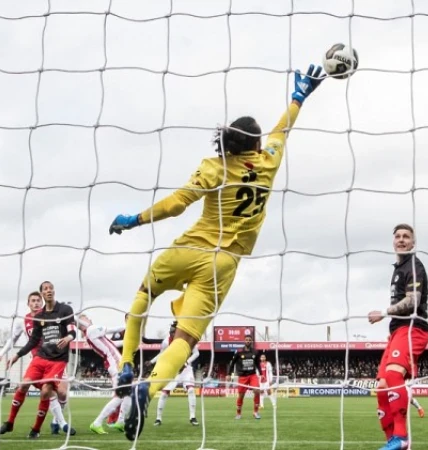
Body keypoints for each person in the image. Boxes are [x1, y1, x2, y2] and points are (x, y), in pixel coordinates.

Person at [107, 64, 327, 441]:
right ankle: (151, 388)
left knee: (144, 296)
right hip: (223, 266)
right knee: (186, 339)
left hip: (190, 247)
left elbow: (178, 204)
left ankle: (127, 363)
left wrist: (135, 219)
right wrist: (299, 97)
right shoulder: (269, 160)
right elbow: (282, 129)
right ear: (255, 146)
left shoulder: (214, 167)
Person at [367, 223, 428, 450]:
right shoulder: (398, 268)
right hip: (397, 331)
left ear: (413, 242)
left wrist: (383, 313)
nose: (401, 240)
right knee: (383, 386)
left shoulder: (414, 266)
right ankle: (393, 442)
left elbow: (413, 300)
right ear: (393, 241)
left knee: (393, 375)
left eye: (406, 236)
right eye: (398, 236)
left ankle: (402, 438)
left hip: (413, 327)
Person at [0, 290, 73, 437]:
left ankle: (57, 420)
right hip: (38, 362)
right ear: (28, 304)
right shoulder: (23, 321)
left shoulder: (53, 317)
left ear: (42, 302)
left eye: (38, 300)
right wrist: (1, 354)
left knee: (62, 393)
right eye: (33, 301)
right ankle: (15, 423)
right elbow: (12, 339)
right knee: (28, 386)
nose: (36, 303)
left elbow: (68, 326)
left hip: (55, 361)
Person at [77, 314, 132, 434]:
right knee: (120, 396)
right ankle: (97, 422)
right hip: (116, 365)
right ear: (81, 323)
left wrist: (129, 341)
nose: (89, 318)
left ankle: (121, 422)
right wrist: (131, 325)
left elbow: (112, 344)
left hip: (116, 364)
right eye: (85, 317)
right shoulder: (92, 329)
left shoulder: (91, 334)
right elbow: (113, 329)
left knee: (128, 393)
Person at [152, 321, 200, 426]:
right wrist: (151, 362)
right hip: (173, 370)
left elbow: (196, 353)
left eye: (173, 331)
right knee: (164, 394)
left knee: (191, 390)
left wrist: (187, 362)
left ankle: (192, 417)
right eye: (170, 331)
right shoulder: (166, 342)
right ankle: (158, 418)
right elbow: (161, 354)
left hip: (186, 369)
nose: (171, 333)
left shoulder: (188, 338)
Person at [228, 335, 262, 419]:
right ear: (244, 341)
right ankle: (238, 413)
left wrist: (261, 374)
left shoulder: (255, 352)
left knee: (257, 390)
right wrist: (229, 374)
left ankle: (256, 412)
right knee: (241, 395)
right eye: (246, 340)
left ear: (251, 341)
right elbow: (232, 364)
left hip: (252, 375)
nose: (248, 341)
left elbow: (258, 364)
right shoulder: (239, 352)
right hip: (242, 376)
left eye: (249, 340)